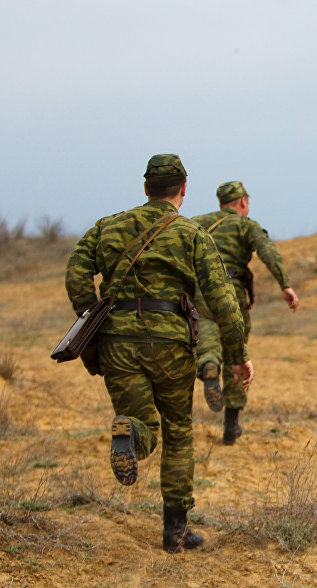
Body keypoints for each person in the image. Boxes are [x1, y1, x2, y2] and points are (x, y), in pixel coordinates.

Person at [65, 154, 252, 553]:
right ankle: (176, 531)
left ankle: (131, 433)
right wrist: (237, 354)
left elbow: (76, 272)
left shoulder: (107, 226)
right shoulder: (192, 235)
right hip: (170, 343)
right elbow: (224, 304)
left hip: (117, 342)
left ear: (146, 188)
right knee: (179, 432)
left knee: (139, 420)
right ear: (184, 189)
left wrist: (91, 320)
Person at [191, 181, 299, 445]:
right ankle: (231, 426)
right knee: (236, 357)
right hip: (232, 291)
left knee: (205, 331)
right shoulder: (245, 225)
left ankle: (208, 366)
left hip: (200, 291)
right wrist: (285, 284)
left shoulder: (196, 224)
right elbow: (268, 252)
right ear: (242, 202)